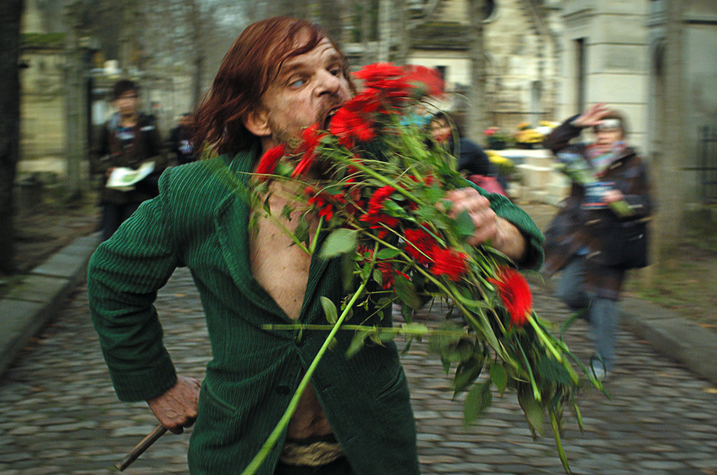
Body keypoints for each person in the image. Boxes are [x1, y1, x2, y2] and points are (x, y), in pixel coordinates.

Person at [87, 17, 544, 475]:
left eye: (335, 69)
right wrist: (157, 383)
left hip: (367, 453)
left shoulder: (389, 177)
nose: (330, 83)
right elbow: (112, 277)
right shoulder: (197, 193)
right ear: (257, 117)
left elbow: (500, 212)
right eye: (298, 79)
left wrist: (503, 233)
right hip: (241, 453)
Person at [541, 103, 653, 381]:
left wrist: (623, 200)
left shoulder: (634, 163)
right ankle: (605, 328)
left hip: (611, 242)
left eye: (610, 130)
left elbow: (650, 204)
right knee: (567, 293)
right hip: (577, 237)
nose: (603, 135)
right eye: (598, 130)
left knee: (604, 300)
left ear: (621, 134)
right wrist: (576, 123)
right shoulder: (580, 155)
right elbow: (552, 143)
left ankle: (604, 360)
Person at [90, 80, 167, 241]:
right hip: (113, 195)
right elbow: (94, 156)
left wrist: (143, 168)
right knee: (109, 243)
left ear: (137, 100)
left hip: (139, 194)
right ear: (115, 102)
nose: (126, 103)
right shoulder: (108, 127)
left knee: (134, 241)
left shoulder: (148, 125)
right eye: (121, 98)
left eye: (130, 97)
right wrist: (107, 168)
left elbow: (163, 155)